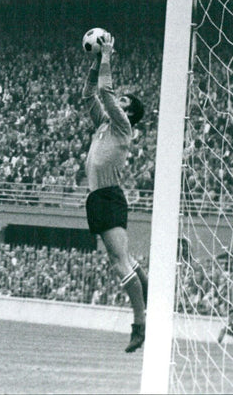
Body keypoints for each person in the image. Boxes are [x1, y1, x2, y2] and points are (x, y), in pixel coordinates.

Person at [81, 30, 148, 353]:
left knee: (119, 261)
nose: (119, 99)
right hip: (98, 197)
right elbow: (87, 95)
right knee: (118, 260)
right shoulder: (104, 125)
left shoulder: (123, 125)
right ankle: (144, 286)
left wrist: (106, 54)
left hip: (108, 195)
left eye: (124, 101)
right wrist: (95, 65)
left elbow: (105, 92)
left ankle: (139, 324)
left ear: (130, 111)